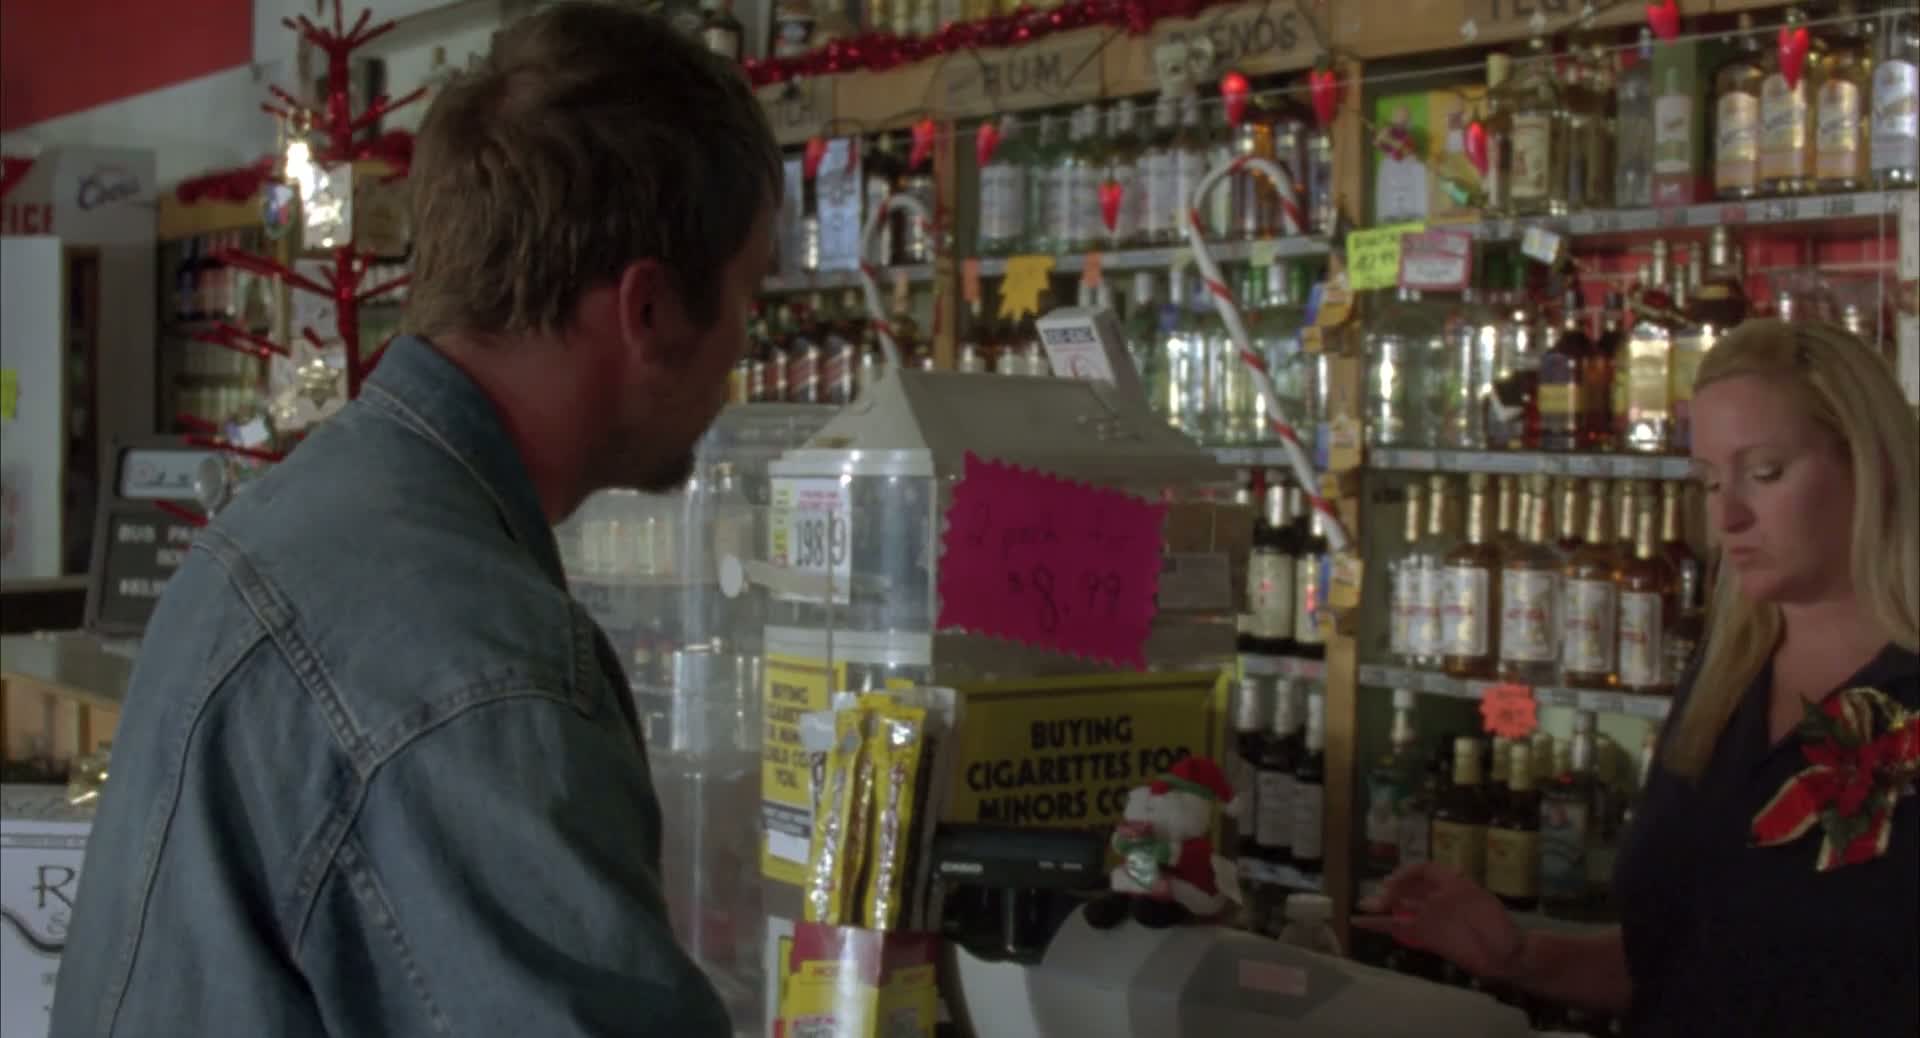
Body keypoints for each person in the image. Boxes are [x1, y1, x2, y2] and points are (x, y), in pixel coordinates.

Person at [50, 5, 779, 1036]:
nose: (744, 348)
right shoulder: (477, 665)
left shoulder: (309, 517)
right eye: (749, 296)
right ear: (649, 312)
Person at [1358, 319, 1918, 1036]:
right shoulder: (1724, 682)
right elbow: (1679, 958)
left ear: (1872, 467)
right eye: (1709, 480)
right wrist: (1520, 955)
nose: (1726, 516)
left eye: (1766, 473)